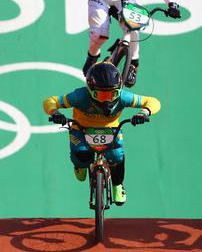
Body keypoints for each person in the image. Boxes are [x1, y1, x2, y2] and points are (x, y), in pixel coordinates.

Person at [43, 62, 160, 205]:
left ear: (119, 90)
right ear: (90, 90)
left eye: (112, 94)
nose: (107, 100)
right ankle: (79, 165)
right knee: (81, 156)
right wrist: (56, 113)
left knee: (116, 157)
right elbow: (51, 101)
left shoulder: (123, 97)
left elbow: (152, 101)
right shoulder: (80, 96)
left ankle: (118, 185)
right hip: (82, 130)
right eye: (102, 94)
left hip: (110, 130)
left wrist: (143, 112)